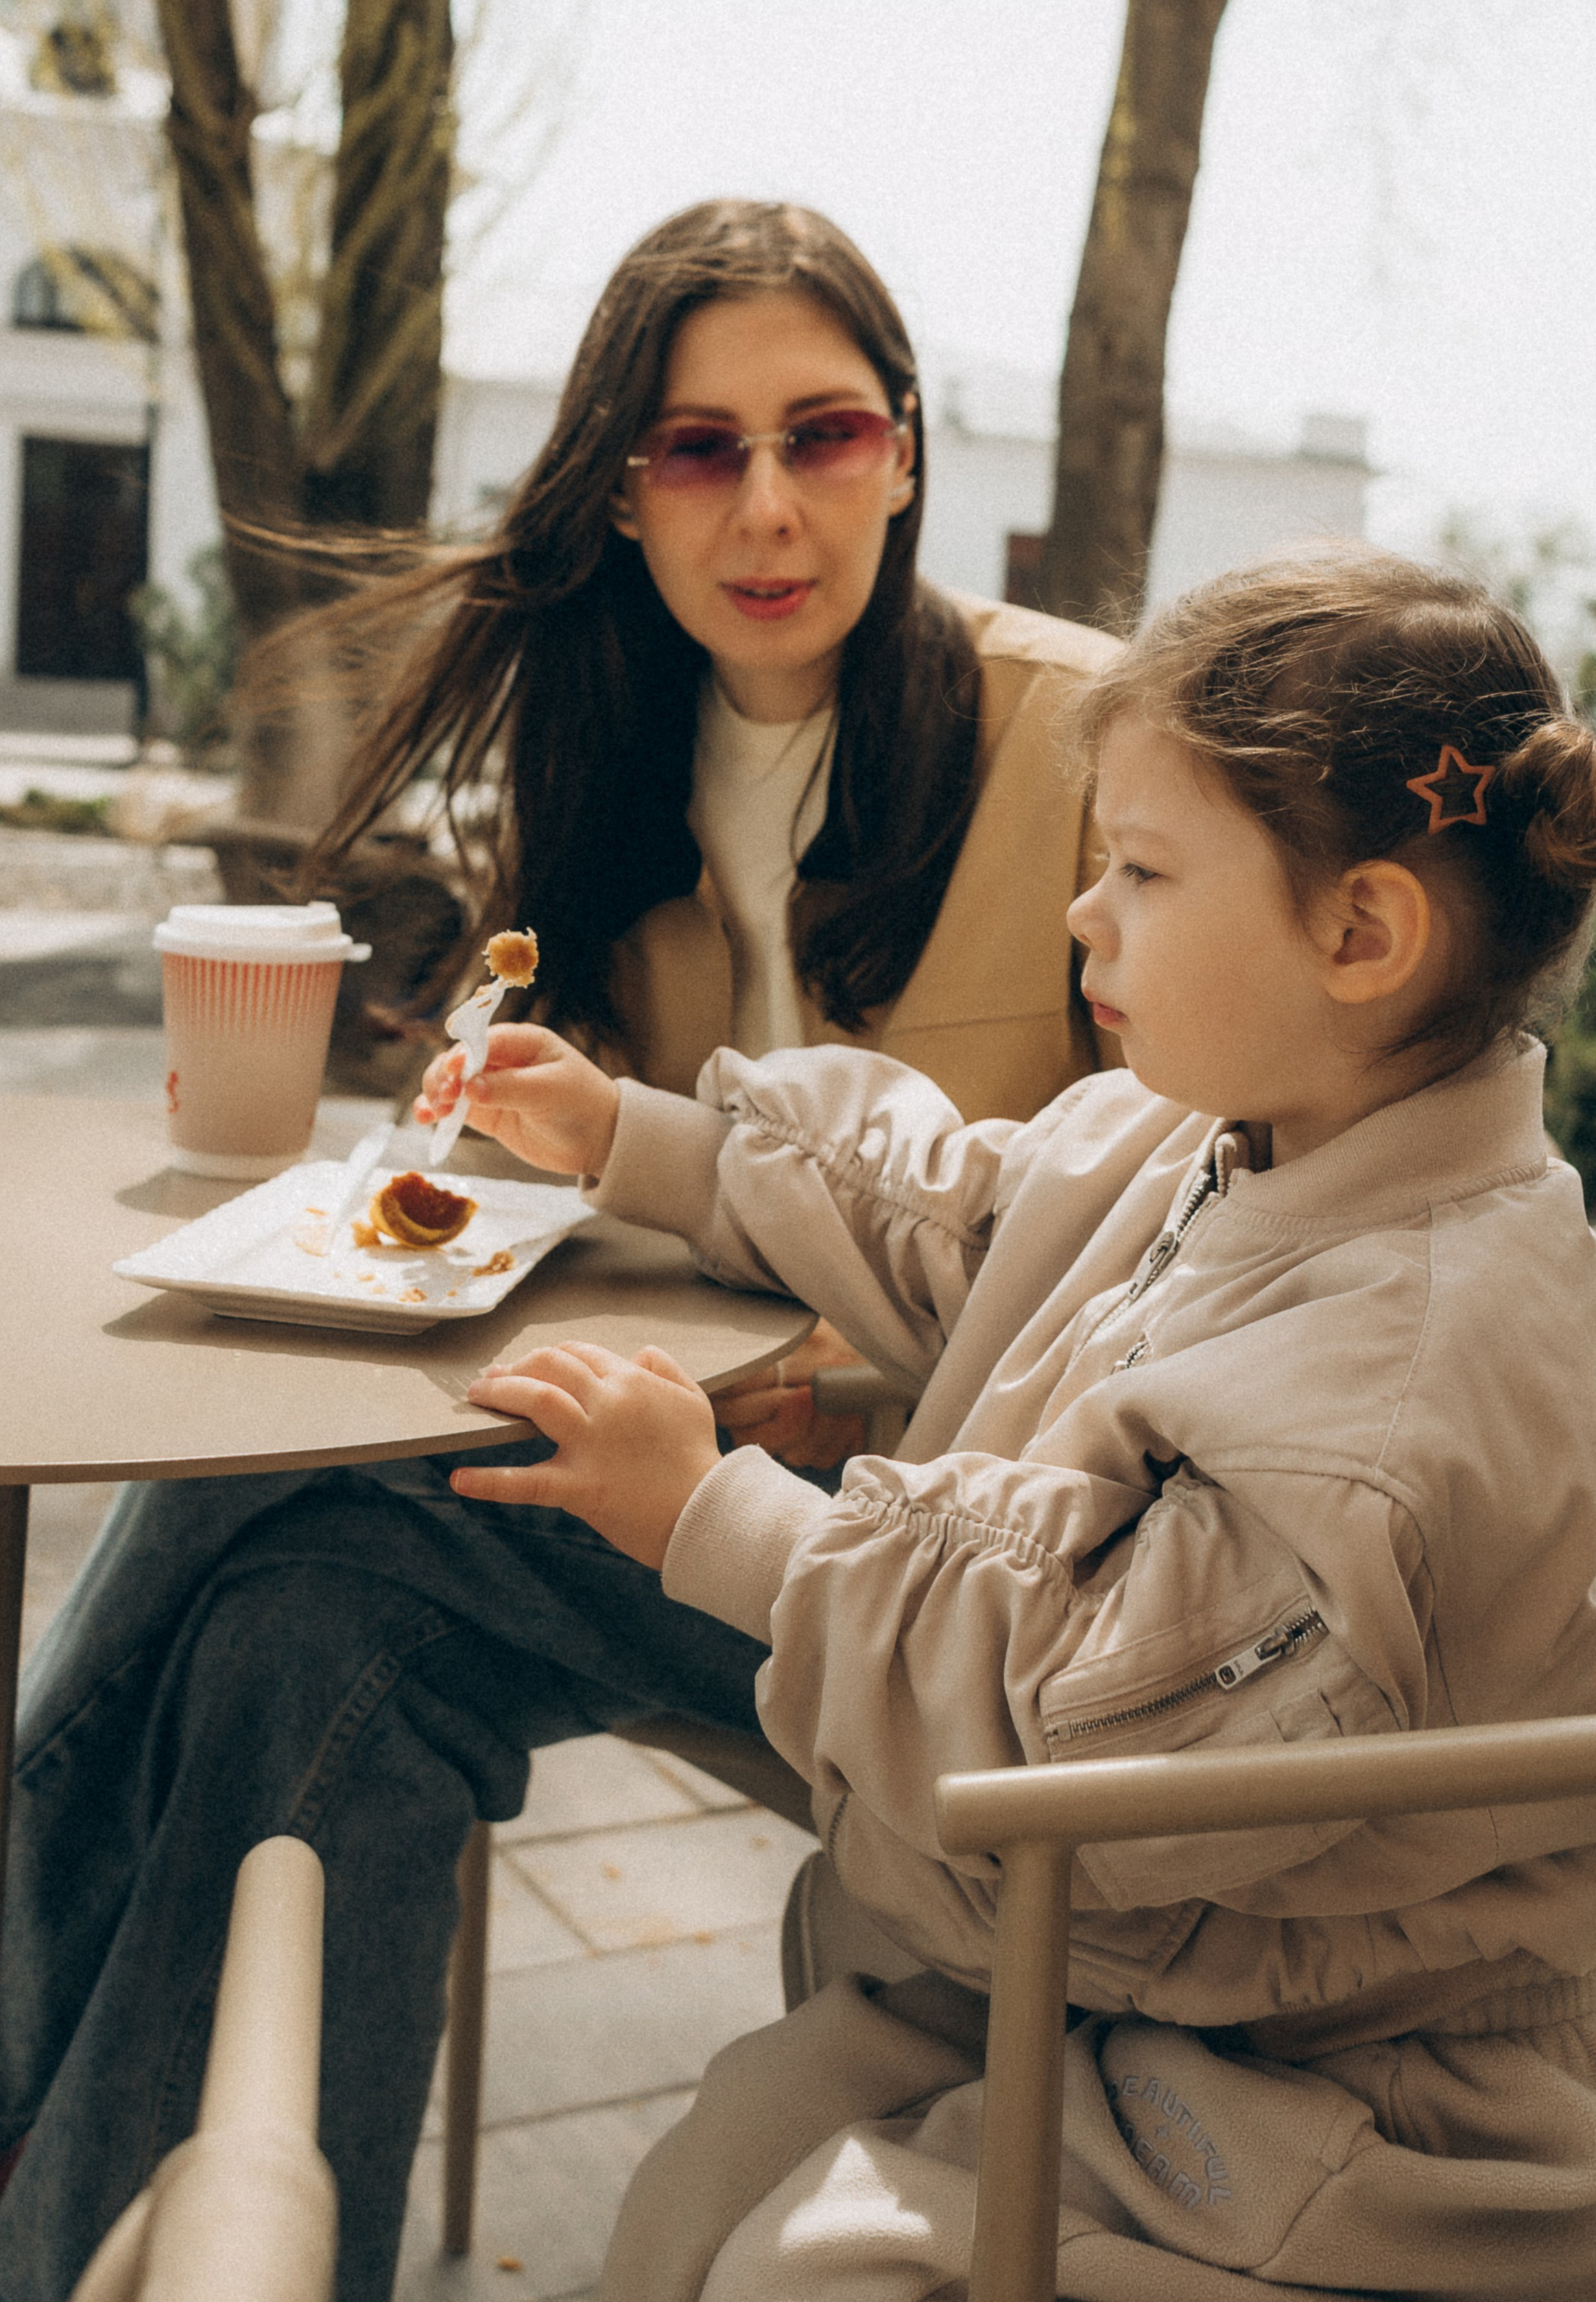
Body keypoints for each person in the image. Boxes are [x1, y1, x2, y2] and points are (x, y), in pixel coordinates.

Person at [0, 202, 1117, 2302]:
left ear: (906, 456)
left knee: (300, 1469)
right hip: (693, 1511)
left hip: (976, 1599)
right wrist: (495, 1155)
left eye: (827, 435)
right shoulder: (618, 778)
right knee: (306, 1638)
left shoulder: (1090, 750)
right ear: (620, 493)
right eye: (700, 450)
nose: (769, 506)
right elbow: (602, 1231)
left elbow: (1164, 1234)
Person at [424, 549, 1596, 2301]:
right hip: (1149, 1973)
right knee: (688, 2196)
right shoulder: (1219, 1136)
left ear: (1358, 933)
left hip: (1349, 2099)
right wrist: (634, 1138)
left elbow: (1099, 1750)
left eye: (1141, 870)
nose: (1086, 916)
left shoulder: (1399, 1381)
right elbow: (962, 1213)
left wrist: (719, 1520)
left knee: (785, 2270)